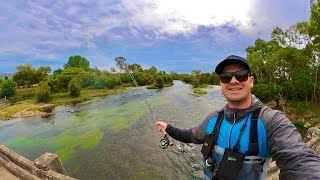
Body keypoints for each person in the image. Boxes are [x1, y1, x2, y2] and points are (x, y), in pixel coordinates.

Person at [156, 55, 320, 180]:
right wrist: (168, 127)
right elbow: (191, 135)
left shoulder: (271, 121)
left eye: (240, 75)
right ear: (221, 84)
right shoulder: (214, 119)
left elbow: (300, 161)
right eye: (226, 77)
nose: (233, 81)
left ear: (251, 81)